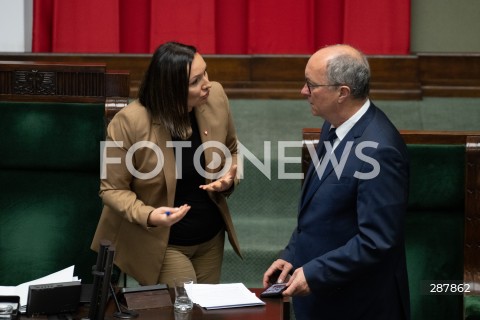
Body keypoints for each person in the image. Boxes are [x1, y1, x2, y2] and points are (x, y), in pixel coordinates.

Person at [263, 44, 411, 320]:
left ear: (342, 93)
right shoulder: (334, 125)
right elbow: (323, 210)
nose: (303, 91)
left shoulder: (380, 150)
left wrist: (315, 272)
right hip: (326, 298)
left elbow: (377, 240)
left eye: (311, 84)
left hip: (359, 305)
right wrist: (292, 254)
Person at [91, 41, 242, 288]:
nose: (206, 84)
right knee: (185, 307)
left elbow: (232, 150)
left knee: (204, 312)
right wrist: (149, 215)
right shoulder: (129, 122)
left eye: (205, 72)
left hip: (211, 238)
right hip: (162, 242)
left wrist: (228, 178)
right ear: (170, 89)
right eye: (195, 81)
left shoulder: (215, 96)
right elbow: (111, 190)